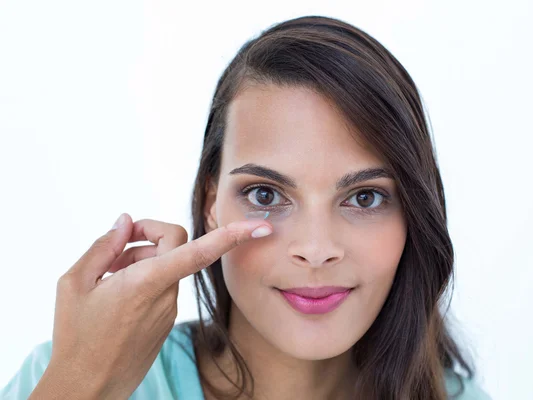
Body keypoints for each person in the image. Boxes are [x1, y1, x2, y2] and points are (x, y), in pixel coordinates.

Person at [1, 15, 491, 400]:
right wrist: (78, 387)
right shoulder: (76, 378)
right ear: (210, 204)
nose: (316, 250)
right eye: (266, 195)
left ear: (414, 216)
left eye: (364, 198)